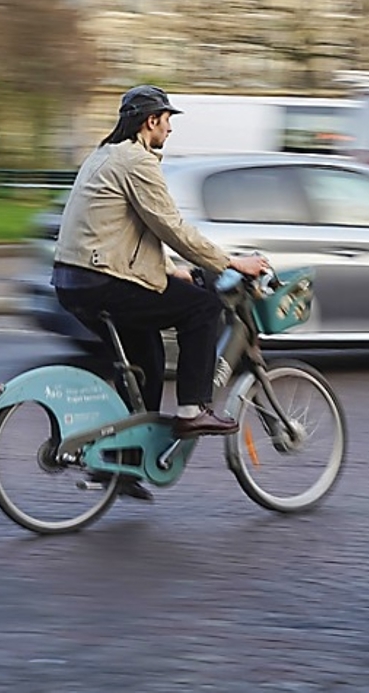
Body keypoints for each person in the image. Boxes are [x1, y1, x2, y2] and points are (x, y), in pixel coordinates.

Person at [52, 85, 269, 500]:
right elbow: (172, 226)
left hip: (75, 281)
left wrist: (172, 271)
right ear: (150, 121)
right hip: (103, 282)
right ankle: (192, 410)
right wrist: (230, 262)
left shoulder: (102, 155)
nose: (169, 129)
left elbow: (128, 229)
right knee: (204, 309)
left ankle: (124, 464)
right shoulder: (136, 161)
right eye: (167, 120)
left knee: (146, 355)